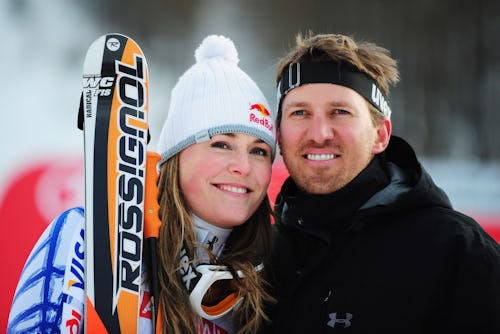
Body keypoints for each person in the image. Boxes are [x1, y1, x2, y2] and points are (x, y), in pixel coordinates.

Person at [8, 34, 276, 334]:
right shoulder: (87, 238)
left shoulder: (272, 284)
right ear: (176, 156)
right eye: (222, 145)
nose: (243, 166)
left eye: (259, 151)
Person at [263, 32, 500, 333]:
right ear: (280, 135)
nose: (319, 133)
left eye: (340, 112)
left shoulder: (458, 254)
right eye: (300, 113)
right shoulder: (261, 256)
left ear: (380, 135)